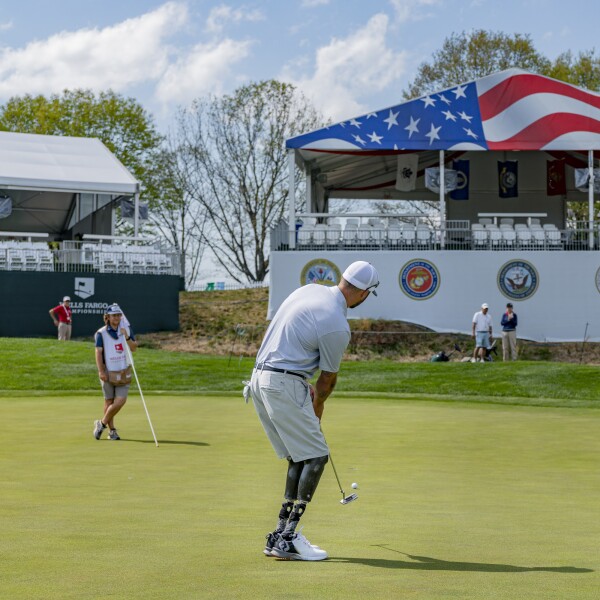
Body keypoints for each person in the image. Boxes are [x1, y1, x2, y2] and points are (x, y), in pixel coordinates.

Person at [250, 260, 379, 561]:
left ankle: (280, 534)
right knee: (317, 456)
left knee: (299, 454)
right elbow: (327, 379)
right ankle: (288, 538)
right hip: (283, 383)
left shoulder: (309, 290)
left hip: (260, 379)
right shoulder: (337, 323)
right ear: (363, 293)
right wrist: (317, 407)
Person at [93, 304, 137, 441]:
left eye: (118, 315)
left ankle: (101, 423)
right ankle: (112, 431)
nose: (117, 318)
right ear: (108, 317)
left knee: (120, 400)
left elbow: (134, 348)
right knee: (109, 401)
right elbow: (98, 353)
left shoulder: (126, 330)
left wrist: (127, 337)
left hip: (123, 370)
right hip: (108, 371)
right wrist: (101, 371)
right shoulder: (101, 333)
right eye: (114, 315)